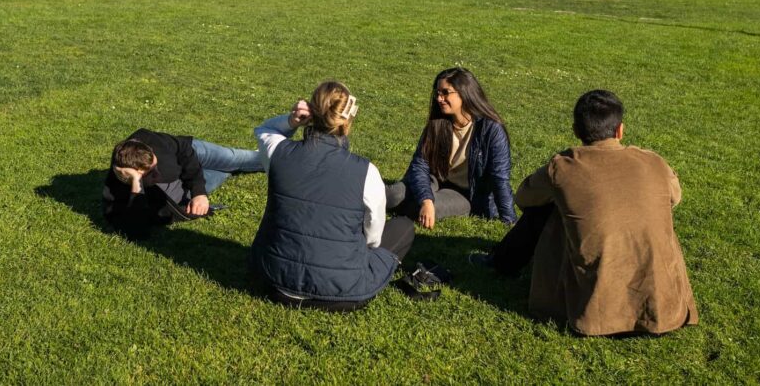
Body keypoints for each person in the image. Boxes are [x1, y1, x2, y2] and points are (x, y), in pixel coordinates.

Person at [474, 90, 698, 337]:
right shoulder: (654, 162)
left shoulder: (563, 167)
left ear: (576, 130)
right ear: (620, 130)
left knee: (547, 206)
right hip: (663, 309)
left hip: (596, 312)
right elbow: (675, 199)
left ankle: (502, 263)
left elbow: (524, 199)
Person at [250, 81, 415, 311]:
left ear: (311, 111)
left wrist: (292, 120)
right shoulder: (366, 171)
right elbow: (373, 238)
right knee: (404, 227)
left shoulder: (279, 153)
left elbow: (264, 131)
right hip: (341, 294)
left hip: (272, 281)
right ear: (347, 120)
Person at [386, 68, 516, 227]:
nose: (439, 99)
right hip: (434, 178)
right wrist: (426, 200)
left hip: (465, 193)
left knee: (424, 209)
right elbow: (420, 165)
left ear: (464, 92)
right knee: (392, 195)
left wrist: (509, 220)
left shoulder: (491, 129)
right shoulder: (437, 123)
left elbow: (500, 177)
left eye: (445, 92)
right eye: (437, 93)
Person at [103, 128, 264, 240]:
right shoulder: (116, 192)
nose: (158, 174)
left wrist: (199, 192)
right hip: (184, 187)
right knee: (226, 172)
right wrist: (136, 186)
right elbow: (136, 232)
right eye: (151, 174)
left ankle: (279, 154)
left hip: (192, 153)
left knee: (234, 158)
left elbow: (184, 149)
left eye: (156, 166)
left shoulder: (148, 140)